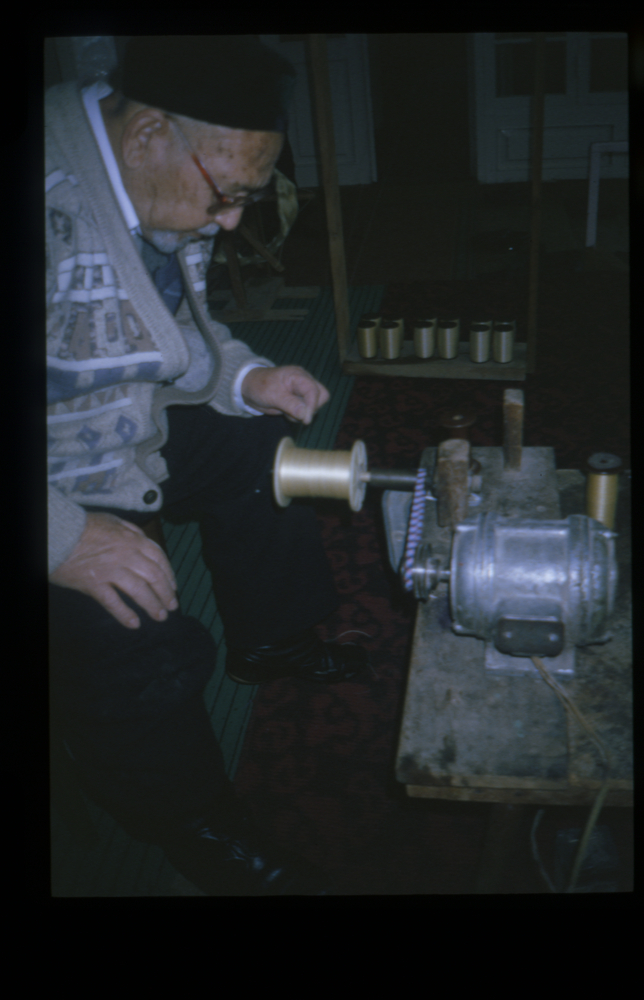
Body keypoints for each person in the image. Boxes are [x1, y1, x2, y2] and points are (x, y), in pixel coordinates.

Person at [47, 35, 368, 896]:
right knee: (133, 613)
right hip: (51, 483)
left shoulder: (155, 178)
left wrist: (244, 375)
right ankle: (188, 817)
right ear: (148, 131)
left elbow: (161, 328)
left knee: (260, 451)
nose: (232, 221)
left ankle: (271, 638)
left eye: (247, 197)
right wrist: (64, 536)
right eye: (228, 194)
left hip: (118, 427)